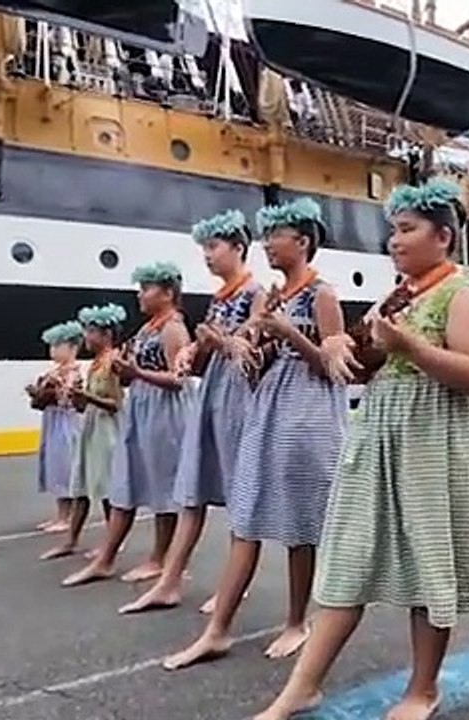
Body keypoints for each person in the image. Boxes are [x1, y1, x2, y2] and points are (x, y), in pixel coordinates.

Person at [252, 177, 469, 720]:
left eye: (407, 230)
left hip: (437, 445)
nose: (394, 240)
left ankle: (423, 689)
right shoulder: (396, 296)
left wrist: (409, 344)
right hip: (382, 438)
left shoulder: (460, 294)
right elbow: (369, 364)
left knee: (431, 564)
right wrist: (347, 347)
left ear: (442, 237)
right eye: (392, 230)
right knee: (347, 556)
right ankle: (303, 685)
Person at [163, 196, 348, 669]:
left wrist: (286, 333)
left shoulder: (322, 294)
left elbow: (333, 367)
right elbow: (260, 353)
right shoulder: (271, 296)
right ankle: (217, 629)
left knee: (299, 525)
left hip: (308, 411)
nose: (266, 245)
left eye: (274, 237)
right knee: (245, 514)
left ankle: (296, 621)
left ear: (302, 242)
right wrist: (244, 346)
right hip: (268, 406)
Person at [119, 209, 263, 615]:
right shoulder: (220, 298)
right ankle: (169, 579)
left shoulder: (256, 293)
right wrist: (193, 350)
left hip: (237, 395)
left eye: (214, 247)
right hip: (212, 394)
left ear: (238, 247)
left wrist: (215, 342)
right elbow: (210, 346)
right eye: (204, 249)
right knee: (192, 490)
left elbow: (251, 348)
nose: (207, 256)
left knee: (239, 494)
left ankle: (233, 586)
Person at [61, 262, 197, 587]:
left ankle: (159, 558)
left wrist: (137, 374)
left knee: (164, 488)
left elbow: (179, 380)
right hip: (141, 408)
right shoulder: (149, 328)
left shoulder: (173, 329)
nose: (140, 294)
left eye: (147, 288)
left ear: (167, 293)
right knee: (124, 483)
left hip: (165, 413)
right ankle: (106, 558)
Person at [42, 304, 127, 560]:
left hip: (107, 432)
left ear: (107, 335)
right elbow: (83, 404)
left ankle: (112, 544)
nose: (86, 338)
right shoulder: (94, 365)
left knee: (106, 491)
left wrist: (86, 397)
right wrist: (70, 397)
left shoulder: (114, 362)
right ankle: (71, 540)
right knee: (80, 486)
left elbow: (116, 404)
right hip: (90, 427)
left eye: (91, 332)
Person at [27, 320, 85, 535]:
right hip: (53, 421)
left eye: (57, 345)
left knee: (64, 466)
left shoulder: (73, 373)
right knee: (54, 465)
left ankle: (66, 516)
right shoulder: (54, 371)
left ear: (72, 348)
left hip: (66, 423)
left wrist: (53, 389)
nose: (52, 350)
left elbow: (68, 398)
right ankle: (60, 515)